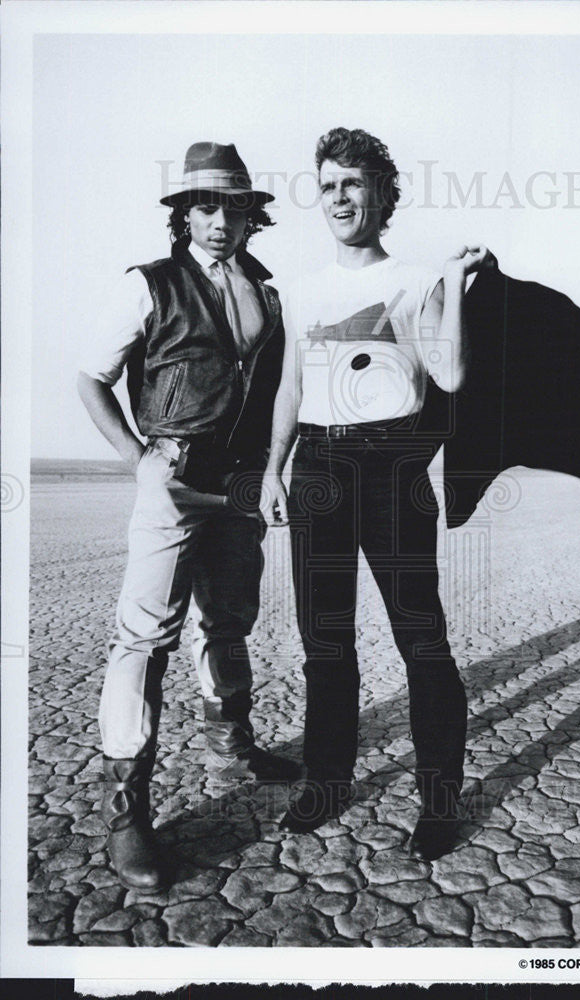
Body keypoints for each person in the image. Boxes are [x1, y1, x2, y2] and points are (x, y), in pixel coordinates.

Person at [261, 127, 493, 861]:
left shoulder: (417, 282)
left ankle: (440, 800)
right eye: (327, 184)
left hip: (393, 467)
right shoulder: (300, 291)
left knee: (421, 639)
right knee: (324, 641)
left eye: (352, 183)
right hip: (318, 470)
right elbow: (292, 387)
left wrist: (453, 285)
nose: (338, 197)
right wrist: (273, 467)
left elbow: (451, 377)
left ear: (382, 195)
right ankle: (326, 783)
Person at [77, 141, 300, 892]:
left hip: (240, 486)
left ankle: (230, 744)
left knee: (229, 618)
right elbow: (91, 377)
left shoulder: (268, 293)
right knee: (144, 634)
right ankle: (127, 809)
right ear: (184, 215)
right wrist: (137, 458)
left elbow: (277, 394)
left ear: (250, 219)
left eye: (235, 209)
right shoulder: (149, 284)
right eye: (206, 207)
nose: (220, 222)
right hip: (171, 478)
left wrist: (271, 473)